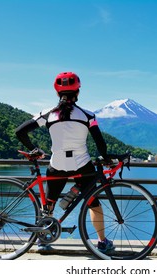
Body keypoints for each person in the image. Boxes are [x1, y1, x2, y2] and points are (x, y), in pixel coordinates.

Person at [15, 71, 114, 253]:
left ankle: (42, 240)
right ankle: (102, 242)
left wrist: (34, 149)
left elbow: (20, 132)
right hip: (82, 166)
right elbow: (100, 143)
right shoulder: (88, 115)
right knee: (93, 202)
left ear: (57, 93)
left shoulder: (47, 114)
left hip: (57, 165)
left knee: (49, 204)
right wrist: (106, 158)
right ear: (78, 92)